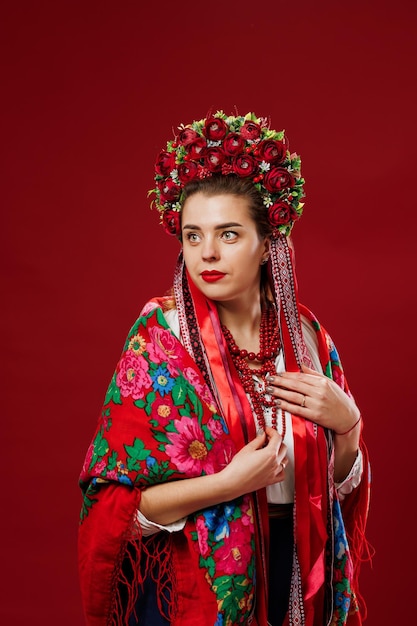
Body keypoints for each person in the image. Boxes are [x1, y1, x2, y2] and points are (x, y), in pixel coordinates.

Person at [78, 111, 370, 626]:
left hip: (299, 572)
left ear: (267, 244)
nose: (206, 253)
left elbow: (336, 485)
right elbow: (118, 511)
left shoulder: (305, 336)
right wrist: (228, 484)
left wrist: (348, 427)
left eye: (229, 234)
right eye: (193, 235)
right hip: (199, 582)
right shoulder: (162, 340)